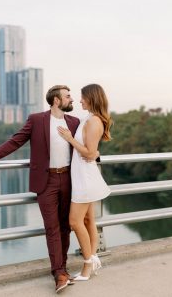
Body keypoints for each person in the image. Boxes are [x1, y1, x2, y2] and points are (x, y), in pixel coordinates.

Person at [0, 85, 97, 293]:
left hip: (71, 180)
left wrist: (95, 156)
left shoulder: (74, 122)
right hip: (47, 181)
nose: (72, 100)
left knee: (65, 226)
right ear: (56, 100)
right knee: (51, 227)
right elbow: (14, 142)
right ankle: (59, 273)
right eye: (68, 96)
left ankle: (63, 268)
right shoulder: (37, 120)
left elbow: (87, 146)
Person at [58, 83, 112, 280]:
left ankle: (87, 266)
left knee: (74, 221)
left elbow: (89, 152)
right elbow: (92, 150)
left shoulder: (95, 121)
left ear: (91, 98)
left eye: (82, 97)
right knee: (89, 220)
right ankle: (94, 258)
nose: (79, 100)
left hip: (86, 179)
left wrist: (69, 139)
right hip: (81, 176)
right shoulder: (88, 118)